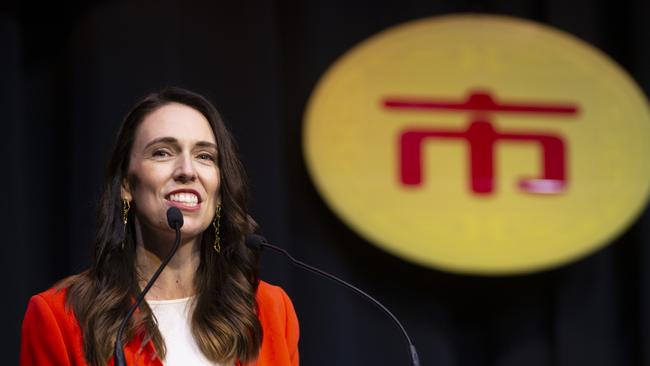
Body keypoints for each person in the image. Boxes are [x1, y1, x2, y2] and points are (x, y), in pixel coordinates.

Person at [19, 87, 299, 366]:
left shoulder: (269, 309)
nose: (187, 170)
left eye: (205, 156)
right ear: (127, 185)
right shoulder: (60, 316)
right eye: (163, 152)